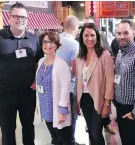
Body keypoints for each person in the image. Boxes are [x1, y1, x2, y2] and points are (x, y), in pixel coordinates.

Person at [0, 2, 43, 145]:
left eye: (23, 17)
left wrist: (36, 80)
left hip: (28, 93)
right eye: (16, 16)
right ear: (9, 18)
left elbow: (39, 62)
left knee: (29, 127)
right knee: (8, 130)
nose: (20, 20)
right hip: (5, 93)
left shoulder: (34, 39)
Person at [75, 23, 114, 145]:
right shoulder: (80, 56)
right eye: (86, 35)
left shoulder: (104, 54)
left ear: (97, 37)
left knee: (96, 133)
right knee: (91, 131)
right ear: (82, 37)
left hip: (99, 99)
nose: (89, 38)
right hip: (85, 99)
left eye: (92, 35)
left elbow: (109, 81)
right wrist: (77, 100)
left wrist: (107, 103)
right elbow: (78, 80)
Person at [36, 31, 71, 145]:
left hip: (57, 109)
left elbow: (65, 90)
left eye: (51, 42)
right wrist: (38, 105)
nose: (48, 45)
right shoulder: (41, 62)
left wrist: (62, 111)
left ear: (56, 45)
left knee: (63, 139)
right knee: (54, 138)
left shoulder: (61, 64)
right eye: (45, 42)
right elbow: (39, 85)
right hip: (46, 107)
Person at [56, 15, 79, 145]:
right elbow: (75, 71)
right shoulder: (74, 44)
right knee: (70, 118)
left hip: (54, 87)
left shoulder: (53, 40)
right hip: (69, 88)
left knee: (59, 117)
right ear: (76, 28)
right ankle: (70, 142)